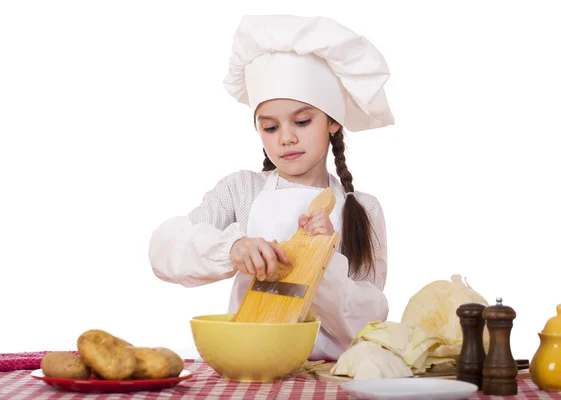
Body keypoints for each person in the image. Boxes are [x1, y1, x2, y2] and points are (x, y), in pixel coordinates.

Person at [148, 14, 395, 361]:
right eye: (270, 127)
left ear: (334, 122)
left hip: (329, 376)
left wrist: (320, 261)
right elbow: (164, 250)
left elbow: (371, 321)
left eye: (302, 121)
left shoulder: (363, 209)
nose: (287, 138)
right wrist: (232, 248)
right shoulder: (242, 191)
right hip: (252, 362)